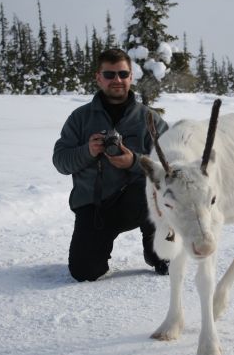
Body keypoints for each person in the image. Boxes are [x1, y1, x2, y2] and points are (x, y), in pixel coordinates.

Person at [52, 48, 169, 282]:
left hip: (137, 202)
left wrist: (134, 162)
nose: (117, 80)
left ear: (131, 77)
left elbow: (171, 165)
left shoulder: (149, 118)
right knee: (84, 272)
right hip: (94, 207)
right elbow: (61, 162)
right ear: (98, 78)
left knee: (152, 191)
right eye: (109, 74)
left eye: (123, 74)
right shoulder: (80, 118)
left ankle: (157, 250)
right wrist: (88, 151)